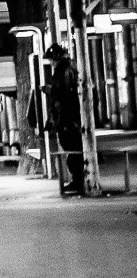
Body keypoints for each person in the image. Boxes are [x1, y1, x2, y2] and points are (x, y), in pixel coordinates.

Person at [44, 43, 87, 195]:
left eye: (51, 60)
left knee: (72, 149)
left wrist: (50, 90)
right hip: (71, 117)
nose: (51, 63)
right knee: (73, 149)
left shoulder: (62, 71)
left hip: (67, 118)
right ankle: (78, 180)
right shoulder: (70, 68)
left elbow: (61, 95)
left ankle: (78, 181)